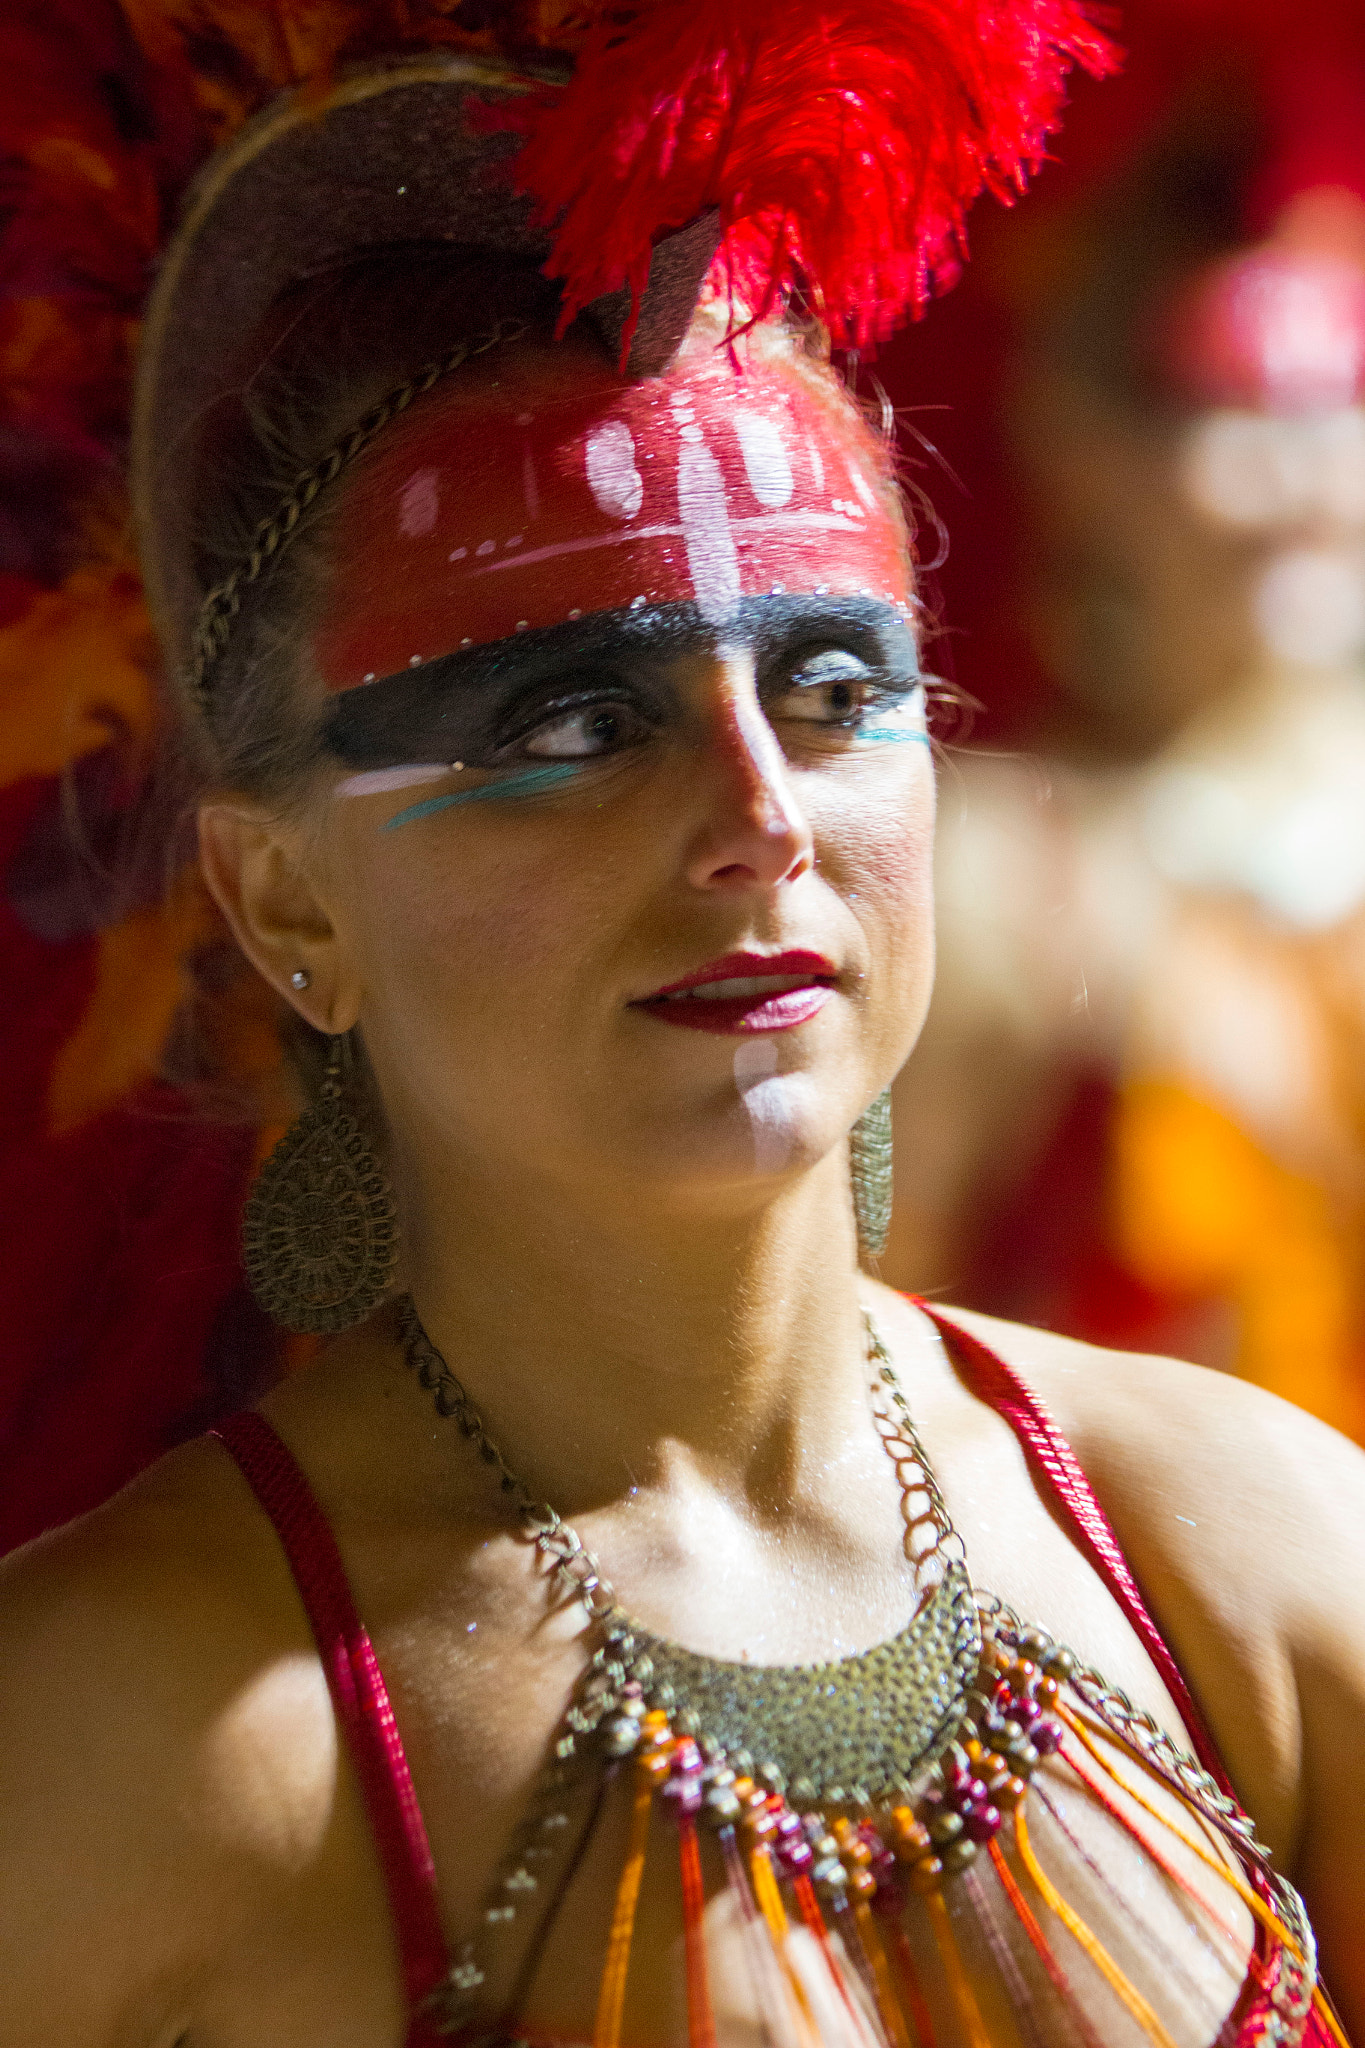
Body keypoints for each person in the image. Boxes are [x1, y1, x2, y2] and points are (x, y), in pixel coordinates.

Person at [0, 6, 1361, 2044]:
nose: (754, 821)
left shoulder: (1244, 1557)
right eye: (569, 723)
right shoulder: (137, 1745)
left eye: (830, 689)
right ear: (288, 903)